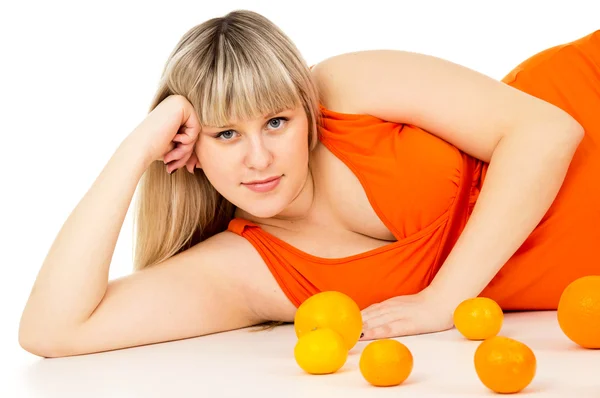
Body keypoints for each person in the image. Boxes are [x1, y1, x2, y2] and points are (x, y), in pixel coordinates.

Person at [18, 9, 599, 358]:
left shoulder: (344, 89)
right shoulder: (246, 270)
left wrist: (445, 299)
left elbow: (547, 132)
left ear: (305, 112)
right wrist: (134, 150)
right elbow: (53, 329)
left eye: (276, 121)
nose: (259, 158)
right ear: (188, 150)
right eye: (225, 134)